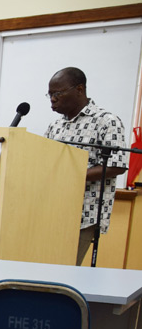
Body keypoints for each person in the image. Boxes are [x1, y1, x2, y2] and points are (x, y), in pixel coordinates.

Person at [44, 67, 128, 265]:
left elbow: (117, 166)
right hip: (50, 208)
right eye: (50, 95)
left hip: (84, 213)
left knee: (65, 267)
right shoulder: (55, 126)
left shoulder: (107, 121)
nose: (52, 99)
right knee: (43, 264)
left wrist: (72, 176)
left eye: (57, 93)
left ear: (79, 89)